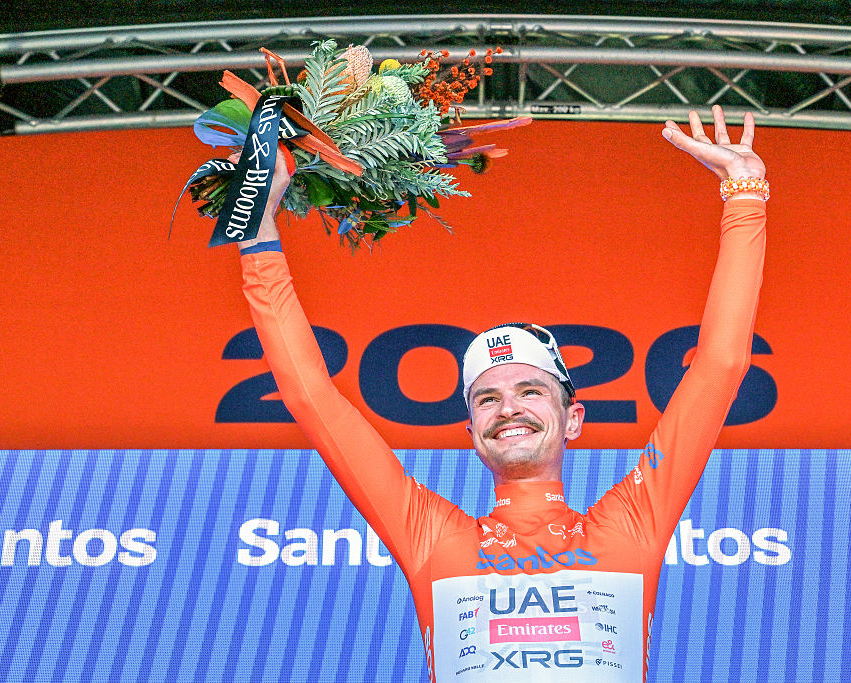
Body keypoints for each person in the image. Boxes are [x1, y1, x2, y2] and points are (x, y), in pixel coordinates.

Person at [233, 104, 767, 682]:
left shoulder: (633, 523)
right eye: (486, 399)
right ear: (471, 434)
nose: (508, 406)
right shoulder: (429, 535)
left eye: (531, 391)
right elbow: (310, 396)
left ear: (573, 419)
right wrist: (256, 229)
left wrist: (745, 195)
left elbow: (721, 364)